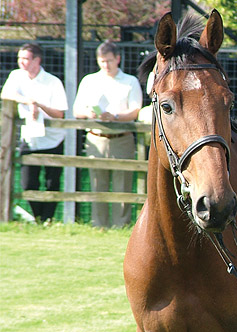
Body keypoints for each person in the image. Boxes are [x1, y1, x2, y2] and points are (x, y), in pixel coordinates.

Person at [73, 40, 142, 228]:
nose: (106, 65)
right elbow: (77, 110)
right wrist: (90, 114)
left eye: (109, 61)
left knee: (123, 184)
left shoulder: (130, 81)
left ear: (117, 59)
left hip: (122, 137)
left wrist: (116, 116)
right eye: (102, 61)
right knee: (98, 183)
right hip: (96, 137)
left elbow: (136, 110)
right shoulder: (89, 81)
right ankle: (99, 225)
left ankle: (121, 225)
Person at [1, 43, 68, 223]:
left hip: (52, 140)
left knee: (51, 182)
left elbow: (60, 113)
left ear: (37, 60)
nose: (21, 62)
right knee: (28, 183)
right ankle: (39, 218)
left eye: (25, 58)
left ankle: (48, 219)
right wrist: (28, 102)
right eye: (19, 58)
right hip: (29, 138)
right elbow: (6, 94)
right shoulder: (16, 76)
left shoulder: (53, 82)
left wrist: (40, 106)